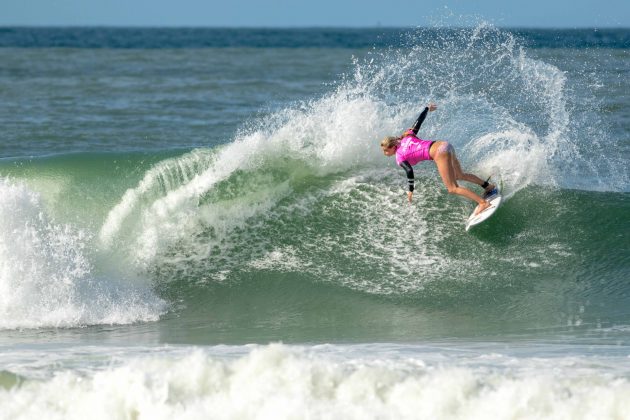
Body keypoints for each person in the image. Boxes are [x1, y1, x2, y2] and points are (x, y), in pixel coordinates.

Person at [380, 103, 495, 215]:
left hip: (439, 153)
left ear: (393, 147)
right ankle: (488, 186)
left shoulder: (399, 156)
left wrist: (410, 190)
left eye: (386, 150)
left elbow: (409, 171)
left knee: (452, 188)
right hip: (445, 145)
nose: (385, 153)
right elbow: (418, 122)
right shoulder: (407, 137)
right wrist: (426, 108)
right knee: (459, 175)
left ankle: (483, 203)